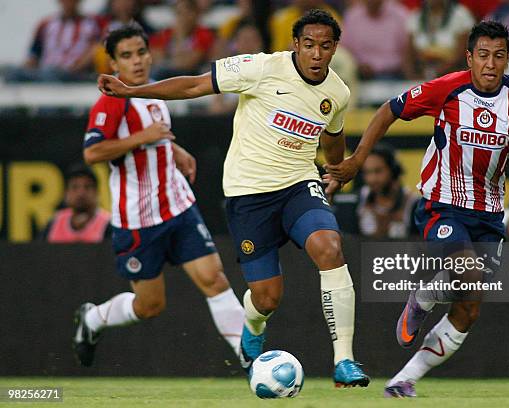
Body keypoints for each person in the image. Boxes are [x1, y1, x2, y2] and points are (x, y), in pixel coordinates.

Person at [97, 9, 370, 387]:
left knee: (330, 248)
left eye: (325, 47)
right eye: (309, 45)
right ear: (296, 44)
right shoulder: (260, 68)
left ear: (335, 48)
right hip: (249, 194)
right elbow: (194, 85)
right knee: (267, 298)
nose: (316, 54)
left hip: (298, 186)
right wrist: (132, 91)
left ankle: (345, 361)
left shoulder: (337, 91)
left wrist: (336, 171)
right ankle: (252, 328)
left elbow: (333, 135)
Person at [325, 21, 509, 397]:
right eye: (483, 55)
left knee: (469, 309)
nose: (490, 64)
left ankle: (404, 379)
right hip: (442, 205)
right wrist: (356, 159)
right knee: (467, 277)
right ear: (469, 57)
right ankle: (426, 297)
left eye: (499, 56)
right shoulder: (448, 88)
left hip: (491, 213)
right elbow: (389, 109)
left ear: (508, 59)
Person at [72, 25, 244, 368]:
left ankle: (250, 358)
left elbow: (153, 132)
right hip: (138, 219)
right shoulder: (112, 100)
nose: (136, 61)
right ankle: (93, 319)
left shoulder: (154, 90)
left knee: (214, 279)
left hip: (178, 206)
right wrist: (145, 138)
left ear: (150, 54)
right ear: (113, 63)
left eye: (140, 53)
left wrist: (172, 148)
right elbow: (93, 153)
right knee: (149, 306)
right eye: (126, 56)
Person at [7, 0, 99, 82]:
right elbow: (34, 55)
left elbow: (95, 49)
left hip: (72, 74)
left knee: (50, 73)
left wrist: (76, 68)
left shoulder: (92, 24)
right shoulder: (46, 24)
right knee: (11, 72)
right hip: (45, 71)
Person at [356, 144, 419, 239]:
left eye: (378, 171)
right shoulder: (359, 199)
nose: (371, 179)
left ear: (393, 170)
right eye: (367, 172)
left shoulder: (414, 204)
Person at [341, 0, 412, 80]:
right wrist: (357, 66)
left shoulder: (399, 15)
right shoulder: (352, 16)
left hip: (394, 75)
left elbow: (409, 50)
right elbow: (344, 51)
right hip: (360, 77)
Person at [41, 165, 111, 243]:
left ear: (97, 193)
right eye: (75, 187)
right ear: (66, 194)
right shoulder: (54, 223)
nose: (81, 193)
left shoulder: (109, 225)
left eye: (87, 187)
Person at [149, 0, 215, 79]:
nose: (184, 17)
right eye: (180, 13)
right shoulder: (165, 34)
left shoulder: (204, 34)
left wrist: (181, 36)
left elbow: (189, 63)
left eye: (188, 13)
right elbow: (157, 59)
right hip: (166, 74)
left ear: (196, 14)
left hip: (192, 75)